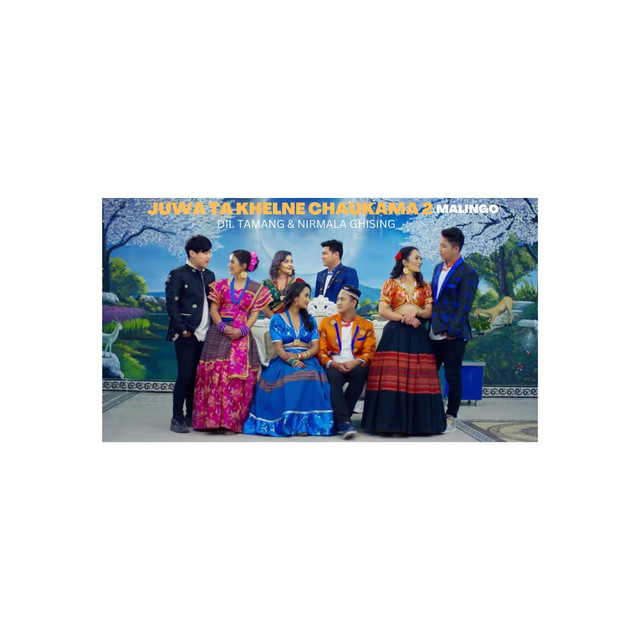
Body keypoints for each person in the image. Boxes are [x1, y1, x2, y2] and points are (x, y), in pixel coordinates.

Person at [361, 246, 446, 436]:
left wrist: (416, 311)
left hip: (417, 334)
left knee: (418, 378)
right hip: (395, 334)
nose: (420, 261)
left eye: (420, 258)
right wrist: (403, 318)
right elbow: (383, 310)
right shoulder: (390, 283)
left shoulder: (424, 286)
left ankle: (418, 425)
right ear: (405, 262)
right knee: (394, 379)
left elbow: (429, 311)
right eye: (416, 258)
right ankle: (391, 425)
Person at [192, 250, 272, 433]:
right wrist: (222, 326)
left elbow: (254, 314)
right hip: (218, 335)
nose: (229, 265)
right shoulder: (220, 285)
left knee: (234, 378)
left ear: (243, 266)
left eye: (232, 262)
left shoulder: (257, 289)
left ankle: (231, 423)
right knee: (216, 373)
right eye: (229, 261)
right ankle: (212, 422)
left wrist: (242, 330)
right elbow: (214, 309)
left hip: (242, 336)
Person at [244, 281, 335, 437]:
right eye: (306, 296)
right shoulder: (277, 319)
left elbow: (315, 347)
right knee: (289, 375)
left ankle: (306, 425)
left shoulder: (310, 320)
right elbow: (279, 348)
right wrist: (291, 360)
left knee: (311, 374)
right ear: (295, 298)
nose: (308, 300)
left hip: (307, 358)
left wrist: (300, 356)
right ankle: (290, 424)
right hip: (284, 359)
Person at [429, 227, 479, 431]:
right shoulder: (437, 268)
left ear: (456, 249)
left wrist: (451, 332)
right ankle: (432, 412)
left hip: (453, 335)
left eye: (444, 246)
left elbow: (464, 307)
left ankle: (451, 416)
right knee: (429, 374)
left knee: (452, 375)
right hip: (433, 332)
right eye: (439, 245)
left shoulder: (468, 273)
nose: (439, 249)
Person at [165, 235, 216, 434]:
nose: (208, 256)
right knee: (185, 375)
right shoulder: (177, 274)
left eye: (210, 252)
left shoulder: (210, 275)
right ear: (192, 253)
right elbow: (172, 305)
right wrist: (183, 330)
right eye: (205, 252)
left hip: (206, 335)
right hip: (187, 334)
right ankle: (177, 417)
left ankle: (191, 415)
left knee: (196, 377)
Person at [317, 284, 376, 439]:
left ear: (353, 303)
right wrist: (333, 363)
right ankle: (344, 422)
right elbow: (321, 351)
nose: (338, 302)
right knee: (334, 379)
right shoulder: (326, 323)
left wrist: (355, 362)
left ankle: (342, 421)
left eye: (342, 299)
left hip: (355, 364)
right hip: (333, 364)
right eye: (337, 299)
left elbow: (369, 352)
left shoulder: (367, 325)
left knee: (360, 373)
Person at [262, 250, 306, 318]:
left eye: (291, 261)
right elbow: (264, 307)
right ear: (278, 264)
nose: (290, 264)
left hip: (293, 320)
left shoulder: (298, 282)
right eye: (286, 261)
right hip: (272, 320)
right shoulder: (267, 284)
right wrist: (277, 320)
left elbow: (305, 304)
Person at [314, 239, 359, 303]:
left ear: (336, 254)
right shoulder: (320, 275)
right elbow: (316, 298)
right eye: (322, 254)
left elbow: (350, 299)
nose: (322, 257)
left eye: (325, 254)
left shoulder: (349, 272)